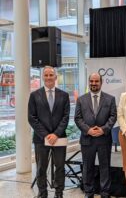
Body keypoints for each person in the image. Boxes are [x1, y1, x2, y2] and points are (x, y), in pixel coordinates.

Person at [28, 66, 70, 198]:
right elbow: (32, 118)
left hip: (59, 138)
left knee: (60, 168)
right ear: (42, 77)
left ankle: (59, 194)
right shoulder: (34, 95)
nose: (48, 77)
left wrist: (56, 134)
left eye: (51, 75)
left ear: (55, 77)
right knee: (41, 168)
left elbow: (66, 117)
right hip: (41, 139)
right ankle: (42, 193)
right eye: (46, 75)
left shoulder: (64, 95)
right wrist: (46, 135)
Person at [74, 72, 117, 198]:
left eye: (96, 81)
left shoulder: (110, 98)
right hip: (87, 139)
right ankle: (89, 192)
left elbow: (113, 116)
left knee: (105, 167)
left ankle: (105, 192)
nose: (94, 83)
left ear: (101, 82)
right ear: (89, 82)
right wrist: (88, 130)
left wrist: (103, 129)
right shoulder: (81, 99)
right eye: (91, 81)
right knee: (87, 167)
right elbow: (77, 118)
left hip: (104, 139)